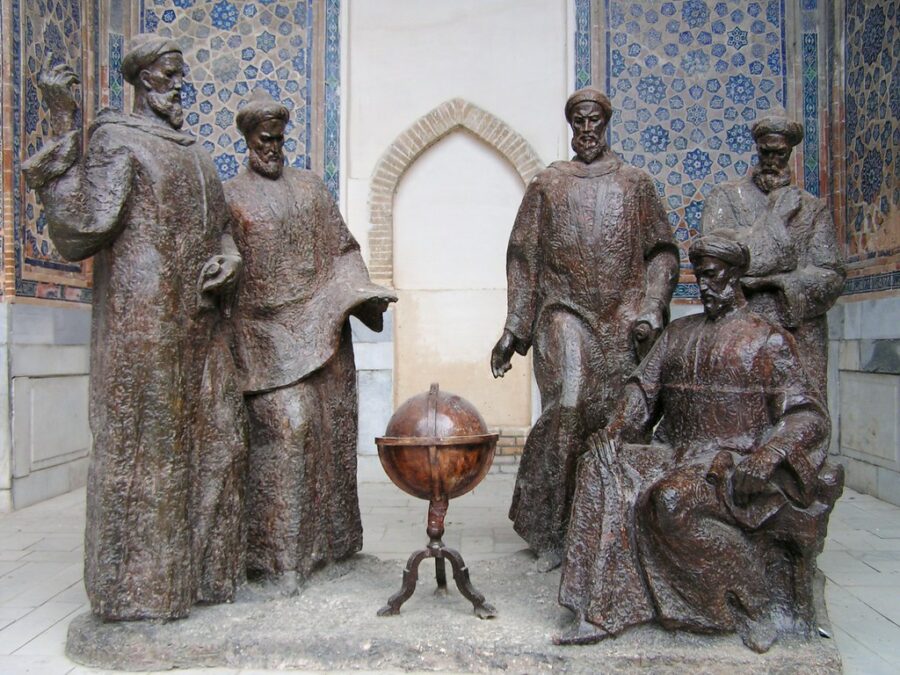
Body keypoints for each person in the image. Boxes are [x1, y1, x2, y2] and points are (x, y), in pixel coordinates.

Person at [22, 36, 247, 620]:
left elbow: (221, 226)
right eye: (169, 75)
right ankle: (140, 592)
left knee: (218, 435)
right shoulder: (118, 138)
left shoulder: (194, 149)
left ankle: (203, 577)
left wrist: (231, 257)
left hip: (202, 321)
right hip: (143, 318)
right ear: (143, 79)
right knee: (150, 450)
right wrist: (61, 119)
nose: (178, 86)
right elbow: (82, 223)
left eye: (180, 74)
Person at [557, 233, 843, 652]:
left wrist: (769, 454)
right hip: (675, 452)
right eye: (700, 276)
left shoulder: (768, 339)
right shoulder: (678, 333)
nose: (705, 286)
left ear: (736, 275)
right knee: (598, 463)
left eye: (712, 275)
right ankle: (602, 610)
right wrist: (616, 428)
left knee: (671, 501)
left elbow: (807, 414)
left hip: (733, 463)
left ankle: (752, 601)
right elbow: (642, 391)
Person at [490, 87, 679, 571]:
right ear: (571, 126)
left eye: (595, 120)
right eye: (579, 121)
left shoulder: (636, 183)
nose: (588, 129)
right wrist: (515, 326)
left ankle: (605, 525)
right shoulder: (548, 184)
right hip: (564, 310)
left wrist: (654, 307)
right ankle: (547, 527)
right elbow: (523, 256)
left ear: (607, 123)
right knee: (569, 402)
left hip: (622, 315)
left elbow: (661, 252)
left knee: (617, 418)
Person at [224, 90, 396, 589]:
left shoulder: (312, 189)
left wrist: (361, 293)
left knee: (334, 431)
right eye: (263, 139)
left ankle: (333, 548)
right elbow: (221, 250)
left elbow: (343, 251)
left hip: (322, 326)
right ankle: (278, 560)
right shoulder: (231, 196)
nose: (272, 147)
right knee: (290, 427)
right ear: (248, 139)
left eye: (278, 138)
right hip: (265, 335)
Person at [702, 115, 845, 394]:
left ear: (789, 152)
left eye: (779, 153)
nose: (772, 160)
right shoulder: (726, 198)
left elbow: (831, 275)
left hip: (799, 332)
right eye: (766, 152)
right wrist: (774, 219)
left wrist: (778, 282)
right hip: (741, 328)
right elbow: (716, 258)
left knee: (802, 415)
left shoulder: (812, 209)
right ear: (757, 149)